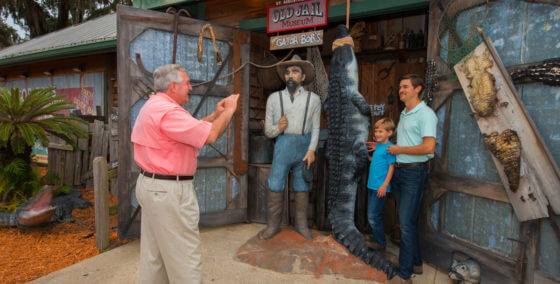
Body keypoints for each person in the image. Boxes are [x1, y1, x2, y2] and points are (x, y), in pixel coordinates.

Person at [131, 64, 239, 284]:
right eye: (187, 83)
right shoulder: (169, 112)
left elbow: (191, 130)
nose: (191, 87)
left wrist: (214, 115)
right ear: (173, 86)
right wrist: (229, 111)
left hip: (152, 188)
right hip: (169, 192)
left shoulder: (154, 106)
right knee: (185, 258)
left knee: (155, 257)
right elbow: (210, 136)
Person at [377, 74, 437, 283]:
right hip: (401, 171)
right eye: (400, 86)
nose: (401, 90)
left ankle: (404, 274)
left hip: (414, 172)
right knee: (408, 222)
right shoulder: (404, 113)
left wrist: (400, 149)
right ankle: (417, 263)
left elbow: (429, 147)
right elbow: (404, 144)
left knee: (405, 224)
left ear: (417, 89)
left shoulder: (425, 114)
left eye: (405, 87)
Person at [259, 55, 321, 240]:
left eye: (295, 71)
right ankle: (273, 226)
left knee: (302, 185)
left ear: (303, 77)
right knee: (275, 184)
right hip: (283, 146)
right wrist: (278, 127)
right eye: (287, 72)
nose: (290, 75)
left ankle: (301, 225)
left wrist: (312, 150)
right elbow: (268, 132)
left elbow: (317, 127)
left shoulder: (314, 99)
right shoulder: (274, 99)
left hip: (304, 146)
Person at [365, 118, 396, 251]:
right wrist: (367, 158)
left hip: (380, 187)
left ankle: (381, 243)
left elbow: (391, 167)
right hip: (372, 185)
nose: (377, 134)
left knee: (373, 215)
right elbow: (377, 160)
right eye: (376, 131)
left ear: (389, 132)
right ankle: (376, 237)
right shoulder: (379, 147)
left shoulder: (389, 148)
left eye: (381, 132)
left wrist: (384, 185)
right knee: (373, 214)